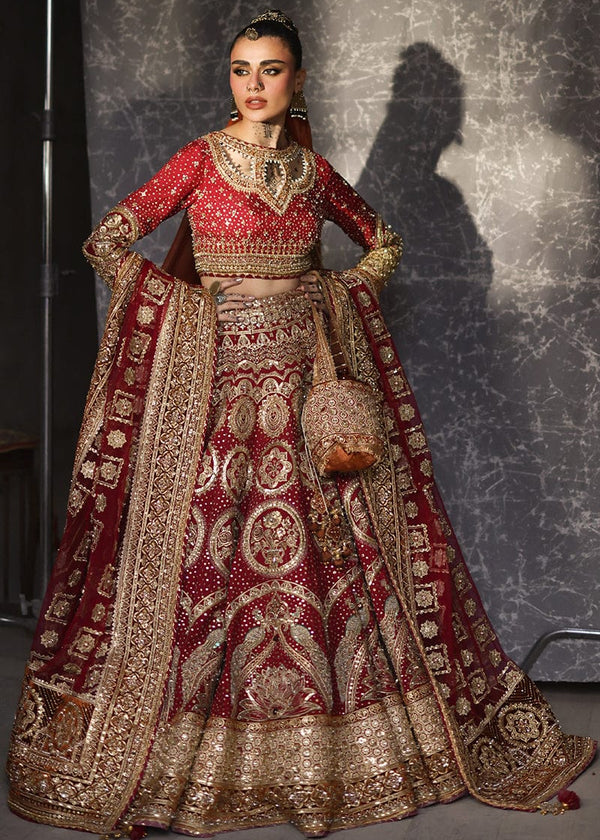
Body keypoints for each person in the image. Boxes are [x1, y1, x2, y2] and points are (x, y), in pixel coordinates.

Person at [7, 9, 595, 840]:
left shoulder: (315, 174)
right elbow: (107, 242)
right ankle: (173, 762)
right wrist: (191, 311)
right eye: (241, 69)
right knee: (207, 568)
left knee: (335, 569)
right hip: (215, 397)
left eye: (270, 69)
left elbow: (382, 246)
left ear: (299, 80)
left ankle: (345, 755)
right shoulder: (201, 162)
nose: (253, 85)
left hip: (309, 398)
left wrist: (321, 291)